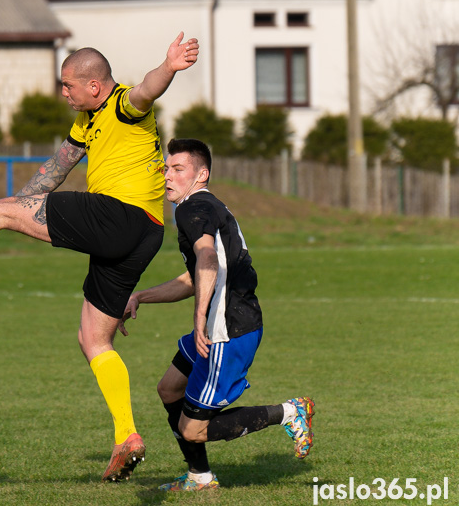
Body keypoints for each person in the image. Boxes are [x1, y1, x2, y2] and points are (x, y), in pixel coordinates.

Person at [0, 32, 199, 482]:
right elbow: (59, 167)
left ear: (94, 85)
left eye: (68, 84)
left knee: (7, 212)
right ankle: (127, 435)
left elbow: (147, 89)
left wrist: (168, 66)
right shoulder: (87, 122)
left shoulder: (123, 104)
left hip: (118, 215)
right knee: (93, 339)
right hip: (144, 234)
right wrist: (19, 209)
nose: (62, 92)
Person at [119, 138, 313, 492]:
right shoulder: (208, 206)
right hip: (223, 322)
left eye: (178, 169)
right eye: (167, 168)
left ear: (201, 174)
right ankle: (200, 477)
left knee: (192, 429)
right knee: (168, 389)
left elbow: (207, 259)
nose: (167, 176)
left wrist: (199, 321)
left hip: (228, 331)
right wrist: (142, 297)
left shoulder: (192, 208)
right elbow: (198, 276)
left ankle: (288, 412)